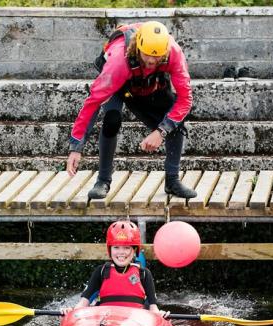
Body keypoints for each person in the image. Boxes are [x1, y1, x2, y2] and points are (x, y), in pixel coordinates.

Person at [66, 21, 197, 199]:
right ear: (138, 48)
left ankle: (172, 181)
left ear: (165, 51)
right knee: (112, 119)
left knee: (176, 121)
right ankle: (103, 180)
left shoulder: (174, 53)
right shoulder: (119, 61)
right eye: (147, 55)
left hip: (149, 86)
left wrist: (161, 130)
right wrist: (76, 147)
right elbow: (93, 102)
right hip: (120, 86)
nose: (151, 61)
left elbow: (185, 99)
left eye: (157, 57)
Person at [61, 220, 169, 317]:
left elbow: (153, 308)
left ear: (134, 250)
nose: (121, 252)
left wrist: (160, 315)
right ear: (110, 249)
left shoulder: (144, 274)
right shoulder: (101, 271)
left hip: (135, 322)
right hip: (104, 321)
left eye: (126, 248)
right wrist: (71, 311)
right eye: (116, 247)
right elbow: (83, 303)